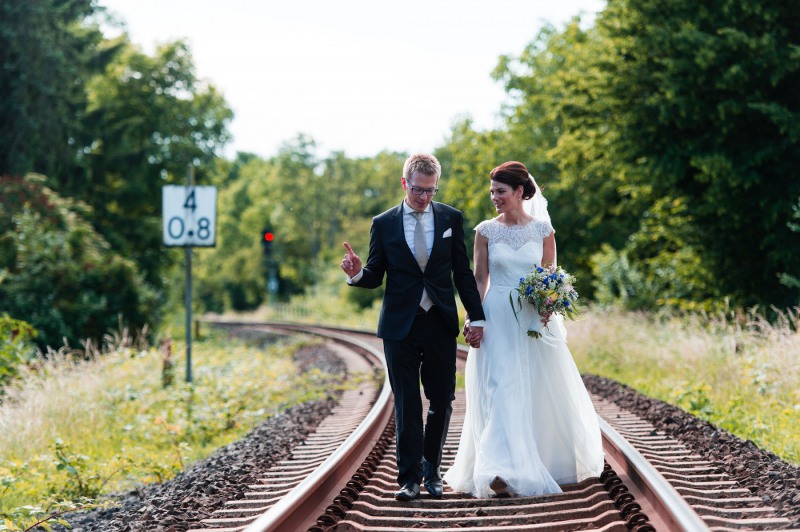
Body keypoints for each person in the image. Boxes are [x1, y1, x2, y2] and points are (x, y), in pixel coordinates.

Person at [443, 161, 604, 498]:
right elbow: (480, 278)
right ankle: (499, 468)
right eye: (492, 192)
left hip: (532, 319)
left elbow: (551, 276)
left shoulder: (544, 231)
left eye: (500, 191)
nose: (494, 197)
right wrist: (474, 317)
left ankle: (537, 460)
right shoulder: (485, 231)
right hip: (497, 315)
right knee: (501, 387)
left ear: (519, 192)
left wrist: (548, 307)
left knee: (534, 387)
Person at [340, 154, 487, 501]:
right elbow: (376, 274)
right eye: (419, 190)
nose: (424, 198)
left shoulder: (451, 217)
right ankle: (408, 479)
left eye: (431, 191)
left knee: (442, 401)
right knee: (407, 403)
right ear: (405, 183)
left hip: (439, 321)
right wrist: (357, 274)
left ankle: (432, 473)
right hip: (399, 327)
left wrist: (476, 316)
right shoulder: (384, 223)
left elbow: (462, 273)